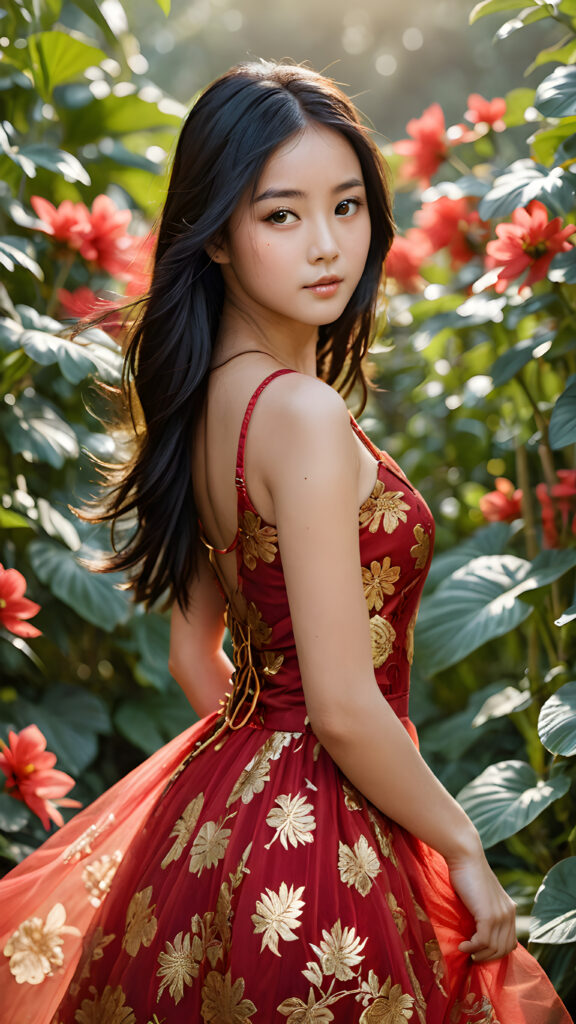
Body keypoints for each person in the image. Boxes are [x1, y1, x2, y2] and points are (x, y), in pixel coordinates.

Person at [0, 60, 572, 1024]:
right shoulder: (299, 412)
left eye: (347, 207)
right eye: (281, 215)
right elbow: (345, 709)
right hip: (322, 859)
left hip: (225, 829)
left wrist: (252, 791)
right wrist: (460, 842)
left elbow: (196, 659)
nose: (327, 247)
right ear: (215, 235)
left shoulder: (198, 405)